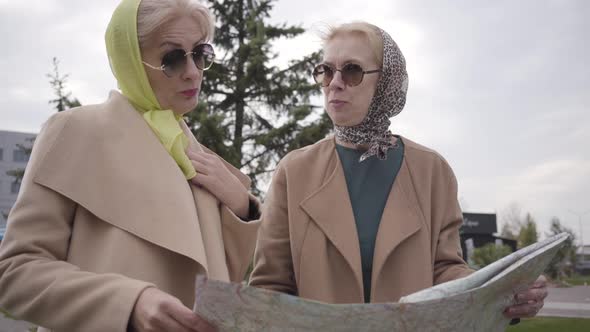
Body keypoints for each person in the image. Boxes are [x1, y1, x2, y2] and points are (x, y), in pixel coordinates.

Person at [249, 21, 546, 323]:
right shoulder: (294, 171)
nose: (334, 83)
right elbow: (269, 287)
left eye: (352, 71)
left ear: (386, 81)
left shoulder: (432, 171)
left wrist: (505, 293)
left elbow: (446, 271)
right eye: (326, 71)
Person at [0, 0, 260, 331]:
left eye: (200, 53)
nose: (193, 71)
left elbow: (225, 285)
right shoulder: (76, 131)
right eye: (172, 58)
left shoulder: (200, 159)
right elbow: (14, 271)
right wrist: (128, 303)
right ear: (130, 62)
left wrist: (241, 207)